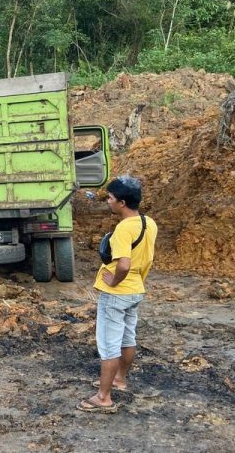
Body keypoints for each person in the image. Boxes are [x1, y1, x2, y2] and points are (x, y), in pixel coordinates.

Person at [78, 176, 158, 414]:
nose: (108, 201)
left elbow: (123, 264)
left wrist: (114, 281)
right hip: (135, 289)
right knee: (127, 338)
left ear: (122, 203)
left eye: (111, 198)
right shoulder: (148, 223)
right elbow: (147, 258)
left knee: (108, 345)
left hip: (117, 292)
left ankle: (103, 398)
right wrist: (136, 280)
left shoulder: (124, 228)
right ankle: (119, 379)